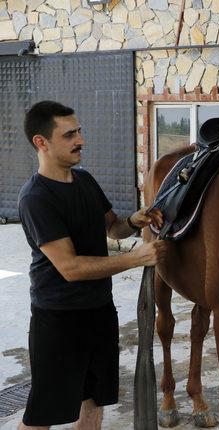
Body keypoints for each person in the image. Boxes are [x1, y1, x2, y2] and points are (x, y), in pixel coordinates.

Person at [17, 101, 167, 430]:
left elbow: (112, 227)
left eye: (79, 131)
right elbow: (69, 268)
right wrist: (133, 259)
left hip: (99, 311)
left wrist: (134, 219)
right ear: (41, 142)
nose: (80, 140)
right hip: (58, 320)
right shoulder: (36, 198)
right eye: (69, 135)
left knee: (95, 404)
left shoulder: (84, 181)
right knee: (42, 416)